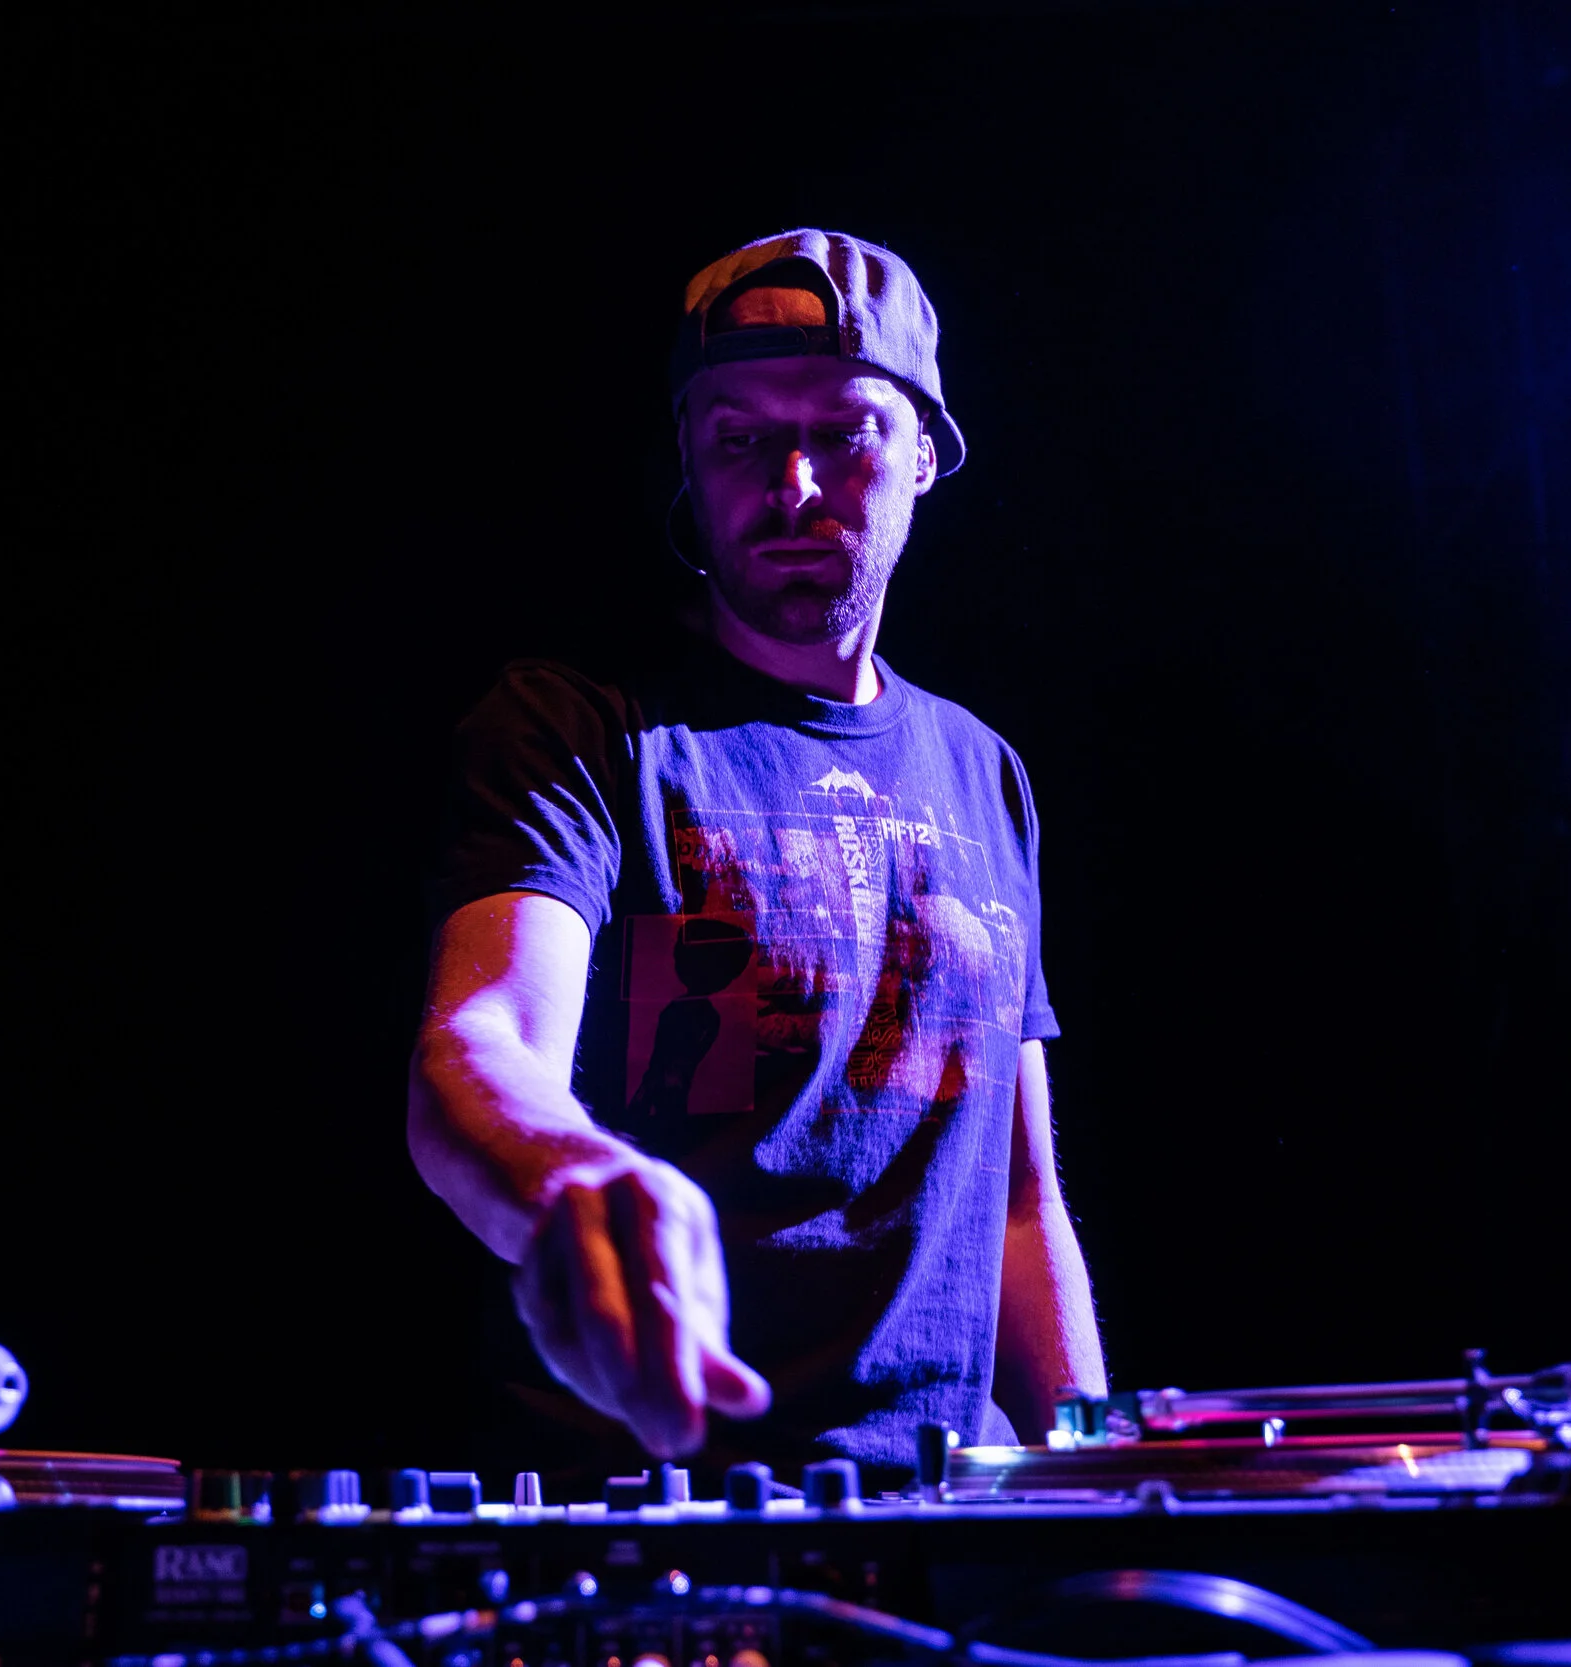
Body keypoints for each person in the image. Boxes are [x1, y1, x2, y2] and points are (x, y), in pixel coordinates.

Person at [407, 230, 1106, 1479]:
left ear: (925, 456)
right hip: (657, 1506)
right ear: (686, 454)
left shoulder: (982, 769)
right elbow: (480, 1042)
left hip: (954, 1505)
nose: (791, 483)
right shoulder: (579, 727)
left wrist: (1097, 1478)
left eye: (842, 432)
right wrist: (568, 1176)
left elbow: (1016, 1202)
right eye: (738, 438)